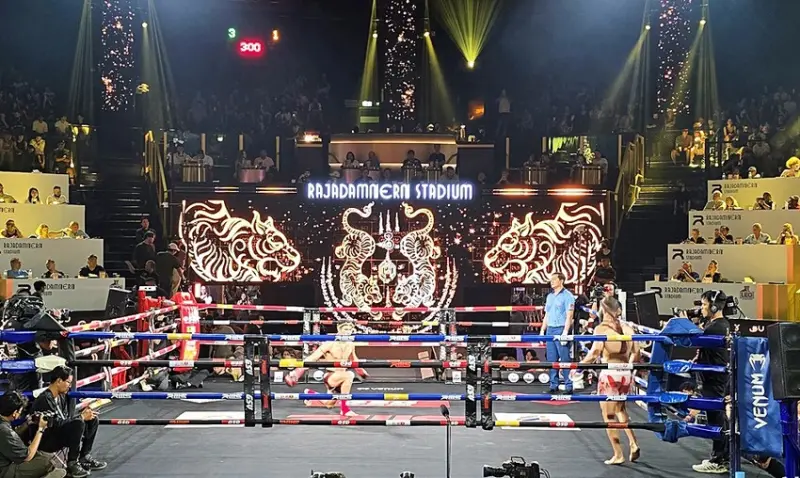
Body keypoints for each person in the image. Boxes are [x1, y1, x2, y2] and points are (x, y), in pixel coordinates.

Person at [574, 296, 640, 465]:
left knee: (609, 416)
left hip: (610, 374)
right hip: (625, 374)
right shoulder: (628, 328)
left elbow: (595, 352)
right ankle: (633, 443)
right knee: (621, 410)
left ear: (603, 309)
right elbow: (637, 352)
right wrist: (628, 368)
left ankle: (618, 454)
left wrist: (579, 368)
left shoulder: (602, 329)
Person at [32, 366, 106, 477]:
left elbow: (65, 419)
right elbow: (54, 424)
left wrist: (83, 416)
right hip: (46, 438)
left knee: (92, 419)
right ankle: (72, 463)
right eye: (68, 382)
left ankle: (84, 457)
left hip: (58, 433)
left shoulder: (61, 396)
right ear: (59, 381)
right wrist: (81, 417)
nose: (70, 386)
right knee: (79, 422)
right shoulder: (44, 399)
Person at [284, 322, 369, 417]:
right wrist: (297, 371)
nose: (348, 332)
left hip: (341, 378)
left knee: (328, 404)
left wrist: (362, 372)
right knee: (349, 375)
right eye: (345, 329)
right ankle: (345, 409)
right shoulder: (330, 343)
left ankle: (310, 393)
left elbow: (354, 360)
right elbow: (313, 357)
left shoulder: (350, 344)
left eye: (350, 330)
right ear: (339, 329)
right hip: (331, 376)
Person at [689, 291, 730, 474]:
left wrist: (683, 321)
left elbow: (692, 339)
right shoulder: (720, 324)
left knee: (716, 417)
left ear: (713, 307)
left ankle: (719, 460)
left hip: (713, 378)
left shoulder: (715, 328)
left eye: (705, 305)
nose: (702, 308)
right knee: (717, 416)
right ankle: (722, 457)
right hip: (714, 377)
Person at [0, 391, 66, 478]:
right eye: (20, 411)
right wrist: (40, 429)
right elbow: (27, 456)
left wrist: (27, 423)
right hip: (4, 470)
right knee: (46, 462)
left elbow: (10, 437)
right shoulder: (4, 430)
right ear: (15, 413)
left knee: (39, 455)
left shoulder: (3, 425)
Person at [539, 273, 575, 393]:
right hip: (550, 329)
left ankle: (568, 385)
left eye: (554, 279)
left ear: (561, 281)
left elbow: (569, 315)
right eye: (551, 279)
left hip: (561, 328)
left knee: (564, 358)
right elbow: (547, 314)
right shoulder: (549, 296)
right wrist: (542, 330)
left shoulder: (568, 296)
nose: (552, 281)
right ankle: (553, 385)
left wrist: (565, 332)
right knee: (551, 359)